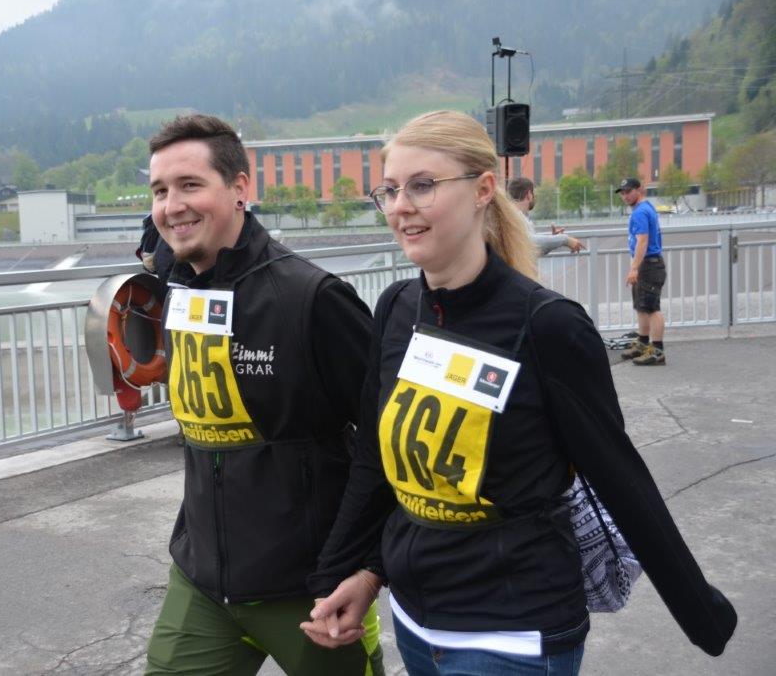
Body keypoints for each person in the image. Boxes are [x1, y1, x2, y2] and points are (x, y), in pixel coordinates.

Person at [300, 111, 736, 674]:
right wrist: (351, 572)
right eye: (389, 190)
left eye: (422, 186)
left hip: (513, 637)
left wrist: (700, 611)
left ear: (484, 189)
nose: (400, 206)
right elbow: (376, 462)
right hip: (415, 621)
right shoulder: (396, 309)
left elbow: (621, 479)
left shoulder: (548, 325)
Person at [142, 115, 383, 675]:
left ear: (240, 188)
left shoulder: (313, 297)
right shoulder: (178, 286)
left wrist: (367, 568)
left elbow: (384, 441)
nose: (172, 206)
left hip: (310, 590)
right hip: (203, 582)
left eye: (190, 185)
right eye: (160, 190)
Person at [617, 177, 667, 365]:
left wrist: (634, 268)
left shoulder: (640, 212)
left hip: (649, 265)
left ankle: (657, 351)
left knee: (652, 308)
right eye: (623, 193)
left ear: (640, 190)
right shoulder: (645, 208)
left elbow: (642, 241)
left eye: (629, 192)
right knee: (641, 306)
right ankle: (643, 343)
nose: (625, 196)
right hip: (647, 265)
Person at [506, 177, 585, 255]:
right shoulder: (514, 218)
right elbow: (531, 243)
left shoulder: (515, 216)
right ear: (529, 195)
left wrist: (554, 239)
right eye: (533, 193)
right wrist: (565, 240)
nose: (535, 197)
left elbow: (536, 248)